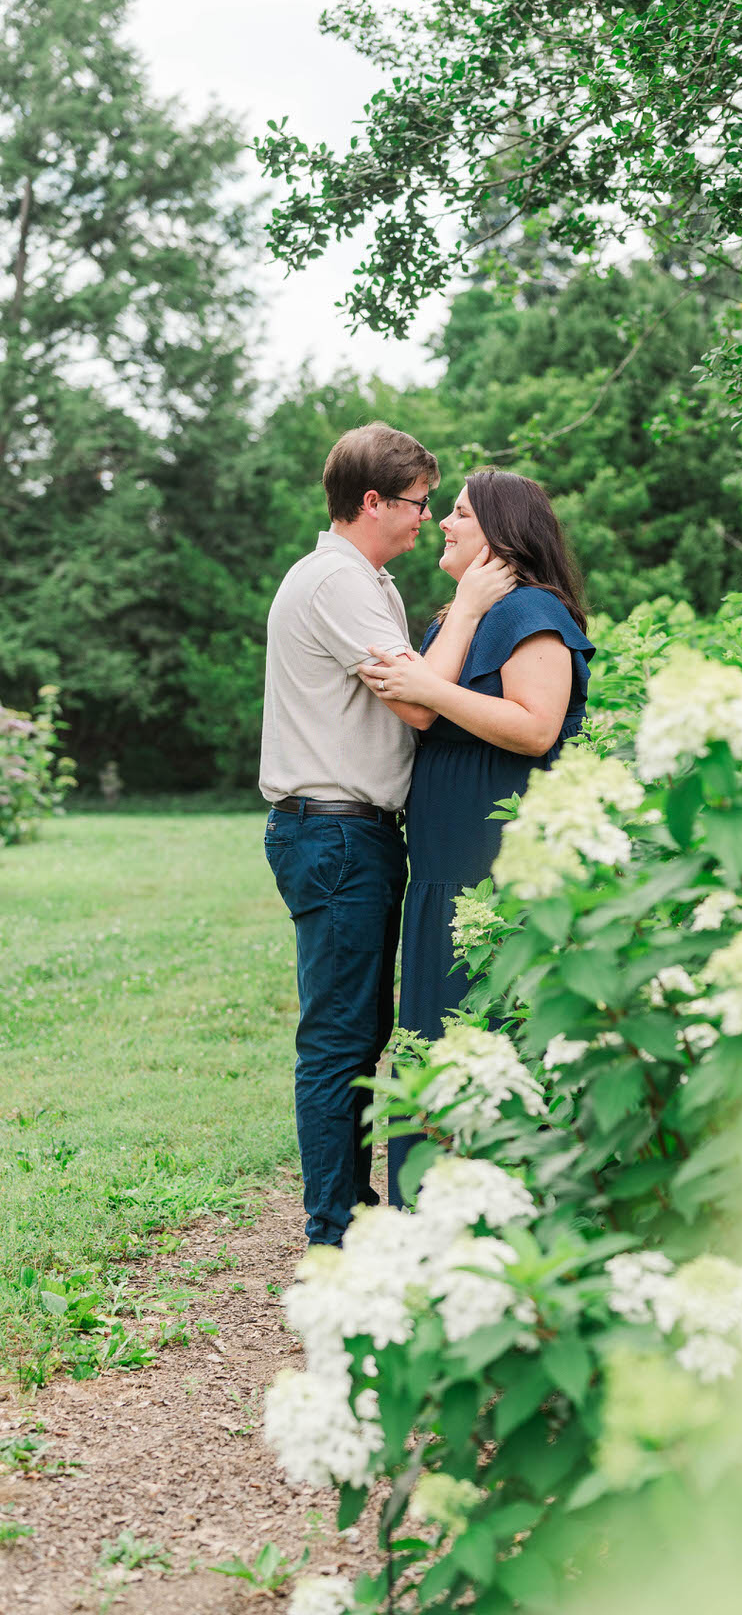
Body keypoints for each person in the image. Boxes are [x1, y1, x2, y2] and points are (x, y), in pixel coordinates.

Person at [259, 422, 513, 1247]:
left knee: (360, 1031)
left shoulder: (367, 582)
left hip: (350, 832)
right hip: (333, 831)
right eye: (417, 503)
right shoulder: (338, 583)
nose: (428, 519)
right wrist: (471, 605)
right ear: (371, 502)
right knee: (339, 1038)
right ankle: (335, 1228)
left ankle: (352, 1210)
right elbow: (413, 703)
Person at [358, 468, 594, 1205]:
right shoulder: (453, 619)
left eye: (457, 513)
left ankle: (495, 1216)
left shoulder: (532, 615)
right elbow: (416, 712)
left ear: (501, 532)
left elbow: (534, 727)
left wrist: (429, 688)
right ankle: (423, 1217)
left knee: (486, 1028)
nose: (441, 523)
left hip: (496, 860)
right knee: (435, 1032)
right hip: (441, 861)